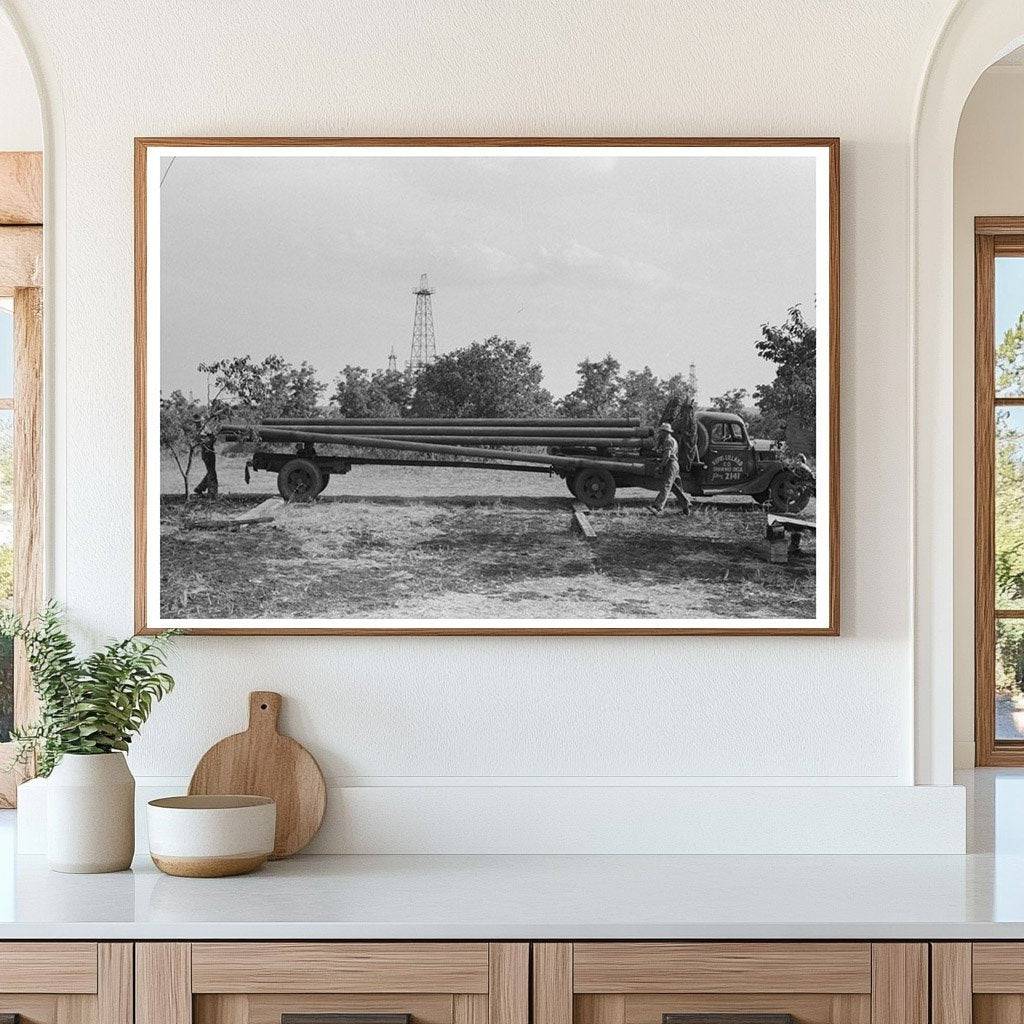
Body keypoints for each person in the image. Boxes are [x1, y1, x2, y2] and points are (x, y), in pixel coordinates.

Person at [650, 422, 690, 514]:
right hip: (675, 465)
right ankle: (686, 505)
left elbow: (667, 456)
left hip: (671, 464)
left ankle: (658, 507)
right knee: (676, 488)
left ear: (666, 432)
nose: (661, 433)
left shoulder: (668, 441)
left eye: (662, 432)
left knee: (666, 486)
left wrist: (661, 466)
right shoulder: (673, 440)